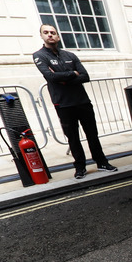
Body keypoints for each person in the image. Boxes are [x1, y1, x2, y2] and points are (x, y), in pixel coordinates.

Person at [33, 24, 117, 179]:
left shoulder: (70, 55)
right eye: (46, 33)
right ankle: (80, 167)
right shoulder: (39, 56)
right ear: (41, 36)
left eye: (53, 32)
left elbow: (85, 76)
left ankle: (102, 162)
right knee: (73, 138)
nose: (50, 35)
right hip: (63, 104)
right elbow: (50, 77)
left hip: (82, 101)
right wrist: (72, 73)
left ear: (58, 36)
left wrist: (64, 78)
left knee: (92, 134)